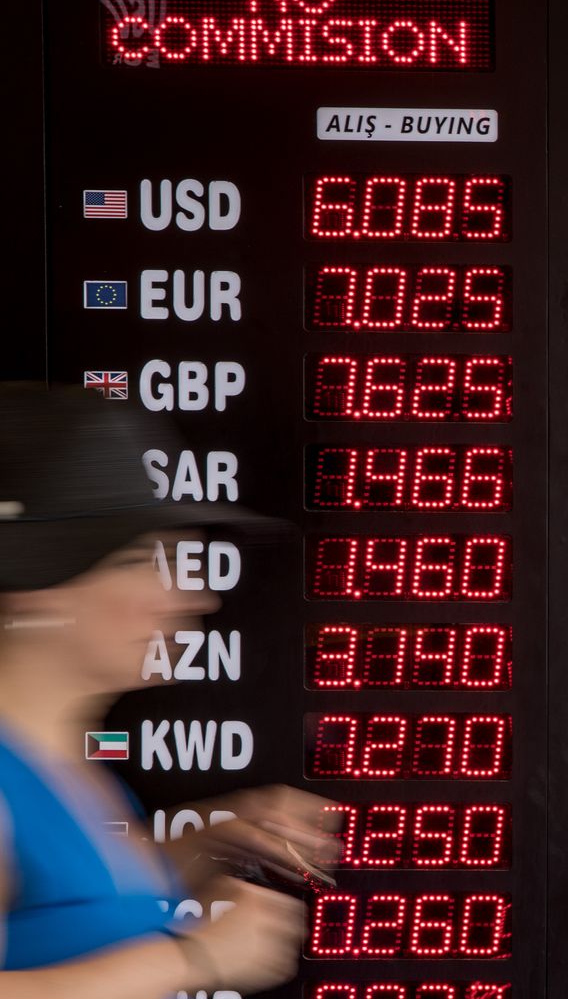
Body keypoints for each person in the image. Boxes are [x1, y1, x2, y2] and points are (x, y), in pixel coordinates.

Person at [0, 386, 331, 997]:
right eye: (141, 561)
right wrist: (193, 961)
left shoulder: (68, 767)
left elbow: (59, 915)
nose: (191, 599)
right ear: (37, 581)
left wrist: (197, 847)